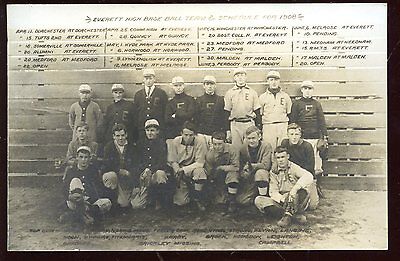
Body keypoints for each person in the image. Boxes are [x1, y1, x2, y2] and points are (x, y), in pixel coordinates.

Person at [254, 146, 314, 227]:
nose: (281, 160)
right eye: (278, 158)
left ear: (288, 157)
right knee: (259, 200)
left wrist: (295, 189)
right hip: (283, 202)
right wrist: (282, 199)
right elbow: (273, 192)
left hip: (295, 198)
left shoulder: (294, 167)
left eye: (283, 157)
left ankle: (287, 216)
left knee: (302, 192)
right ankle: (293, 216)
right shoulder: (274, 172)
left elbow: (308, 176)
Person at [59, 146, 112, 226]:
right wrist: (70, 197)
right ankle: (86, 216)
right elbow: (64, 189)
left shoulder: (93, 170)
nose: (83, 160)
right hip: (74, 201)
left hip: (89, 202)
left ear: (90, 158)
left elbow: (98, 189)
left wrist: (88, 200)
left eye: (86, 157)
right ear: (77, 158)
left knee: (107, 203)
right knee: (75, 180)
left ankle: (77, 215)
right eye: (81, 157)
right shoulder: (71, 171)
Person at [289, 80, 328, 178]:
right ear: (302, 90)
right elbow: (293, 121)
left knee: (316, 164)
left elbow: (321, 120)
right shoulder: (297, 104)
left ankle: (315, 185)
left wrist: (324, 136)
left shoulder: (316, 104)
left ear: (313, 90)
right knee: (302, 162)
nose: (307, 91)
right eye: (305, 88)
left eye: (309, 89)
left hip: (314, 138)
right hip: (301, 139)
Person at [133, 119, 173, 210]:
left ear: (157, 131)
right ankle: (148, 198)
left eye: (152, 130)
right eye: (147, 130)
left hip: (155, 174)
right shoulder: (140, 144)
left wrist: (150, 169)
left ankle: (159, 200)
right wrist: (144, 170)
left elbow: (162, 162)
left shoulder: (162, 143)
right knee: (137, 205)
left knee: (160, 174)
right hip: (144, 176)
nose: (150, 133)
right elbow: (137, 162)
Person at [167, 121, 208, 211]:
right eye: (185, 135)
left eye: (191, 135)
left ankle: (197, 199)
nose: (188, 138)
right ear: (181, 133)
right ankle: (188, 195)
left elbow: (200, 162)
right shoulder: (176, 141)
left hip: (193, 168)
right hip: (179, 169)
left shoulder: (200, 141)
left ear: (195, 134)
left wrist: (184, 170)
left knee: (200, 172)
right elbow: (172, 160)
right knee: (181, 202)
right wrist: (177, 170)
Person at [102, 124, 137, 211]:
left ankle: (122, 199)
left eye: (122, 135)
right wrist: (119, 170)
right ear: (113, 136)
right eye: (117, 136)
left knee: (124, 204)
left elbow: (136, 164)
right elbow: (107, 164)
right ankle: (112, 201)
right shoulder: (109, 147)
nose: (120, 138)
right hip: (114, 177)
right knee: (111, 176)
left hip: (126, 179)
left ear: (126, 135)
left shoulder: (132, 147)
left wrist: (128, 172)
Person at [224, 67, 261, 150]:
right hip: (235, 124)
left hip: (249, 123)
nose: (240, 77)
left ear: (245, 77)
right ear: (235, 78)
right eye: (237, 75)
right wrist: (227, 130)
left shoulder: (252, 92)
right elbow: (226, 112)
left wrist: (258, 128)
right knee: (236, 149)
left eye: (242, 75)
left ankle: (249, 163)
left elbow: (257, 111)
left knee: (249, 148)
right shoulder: (230, 93)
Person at [236, 126, 272, 206]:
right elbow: (241, 166)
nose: (251, 141)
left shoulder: (266, 146)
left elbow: (266, 165)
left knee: (261, 173)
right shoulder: (243, 148)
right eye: (249, 138)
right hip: (250, 177)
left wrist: (250, 166)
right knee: (242, 201)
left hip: (263, 176)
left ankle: (264, 200)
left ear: (259, 137)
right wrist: (244, 173)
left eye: (253, 138)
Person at [204, 131, 240, 212]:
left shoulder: (233, 149)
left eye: (220, 144)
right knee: (219, 203)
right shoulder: (210, 154)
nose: (217, 147)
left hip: (231, 175)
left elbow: (236, 167)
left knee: (232, 175)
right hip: (218, 177)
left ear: (225, 142)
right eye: (215, 144)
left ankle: (232, 202)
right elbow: (209, 172)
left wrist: (221, 168)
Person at [259, 70, 292, 151]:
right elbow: (260, 113)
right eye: (271, 80)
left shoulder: (285, 96)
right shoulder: (262, 97)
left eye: (276, 80)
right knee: (269, 149)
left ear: (279, 81)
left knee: (283, 149)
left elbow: (289, 112)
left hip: (282, 125)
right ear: (268, 81)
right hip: (268, 125)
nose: (274, 82)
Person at [195, 75, 229, 148]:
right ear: (204, 86)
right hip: (202, 134)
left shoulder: (220, 100)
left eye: (212, 84)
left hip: (216, 135)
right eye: (207, 84)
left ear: (215, 86)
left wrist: (226, 131)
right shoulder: (199, 100)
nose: (210, 86)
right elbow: (196, 118)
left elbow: (224, 117)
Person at [134, 69, 168, 140]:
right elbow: (136, 112)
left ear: (154, 79)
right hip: (142, 129)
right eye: (146, 79)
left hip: (157, 129)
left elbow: (165, 111)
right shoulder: (138, 94)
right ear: (143, 80)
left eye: (150, 78)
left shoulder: (161, 93)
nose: (148, 81)